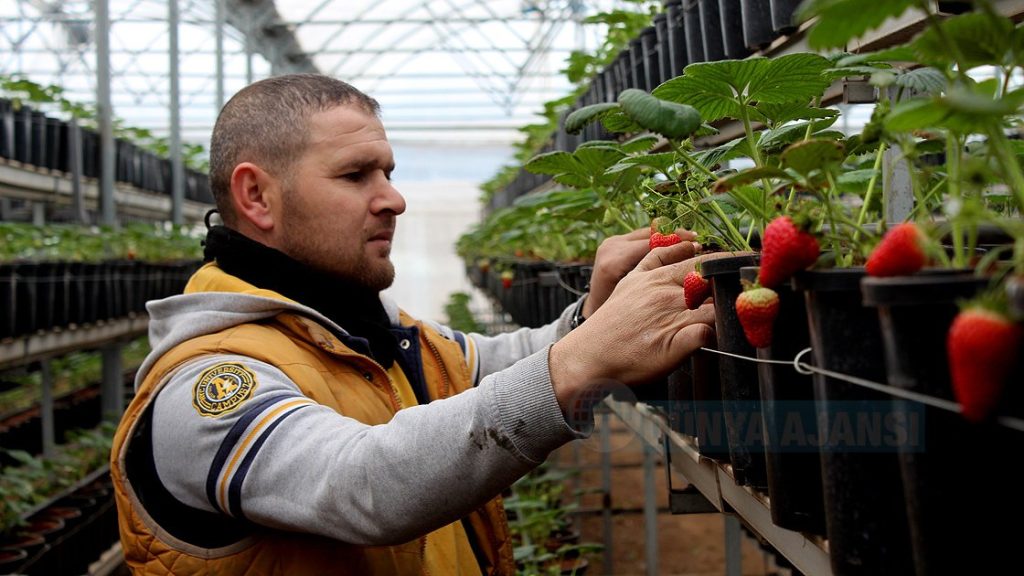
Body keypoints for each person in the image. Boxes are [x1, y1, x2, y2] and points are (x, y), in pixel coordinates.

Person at [110, 73, 716, 575]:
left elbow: (499, 363)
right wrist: (581, 361)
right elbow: (364, 484)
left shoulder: (370, 334)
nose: (393, 200)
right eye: (356, 175)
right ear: (257, 197)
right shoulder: (207, 385)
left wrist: (591, 319)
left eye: (390, 173)